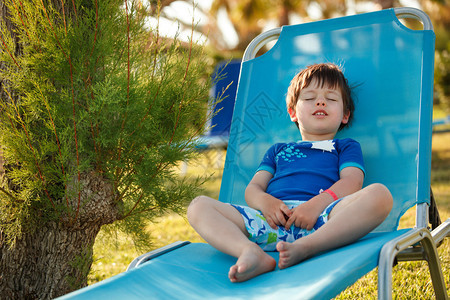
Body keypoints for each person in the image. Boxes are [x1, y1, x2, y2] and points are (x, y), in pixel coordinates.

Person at [187, 63, 393, 283]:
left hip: (325, 220)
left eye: (331, 99)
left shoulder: (345, 146)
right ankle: (249, 251)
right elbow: (253, 189)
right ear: (293, 112)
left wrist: (316, 205)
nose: (320, 102)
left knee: (380, 195)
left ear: (345, 114)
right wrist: (267, 203)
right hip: (270, 222)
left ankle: (306, 247)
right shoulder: (278, 150)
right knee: (198, 205)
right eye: (309, 97)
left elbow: (352, 182)